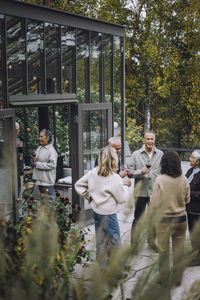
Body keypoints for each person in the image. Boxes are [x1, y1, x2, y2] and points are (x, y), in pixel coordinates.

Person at [75, 145, 131, 267]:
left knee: (101, 242)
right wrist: (126, 186)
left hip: (96, 212)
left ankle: (103, 268)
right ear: (113, 159)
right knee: (115, 242)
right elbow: (122, 199)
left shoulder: (92, 173)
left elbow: (78, 185)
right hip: (109, 215)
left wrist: (88, 197)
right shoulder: (115, 178)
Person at [150, 151, 190, 287]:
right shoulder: (184, 179)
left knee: (164, 252)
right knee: (179, 250)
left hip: (163, 221)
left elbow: (154, 203)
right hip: (181, 220)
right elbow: (187, 199)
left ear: (163, 164)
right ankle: (178, 279)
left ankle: (164, 279)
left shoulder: (159, 180)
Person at [129, 130, 163, 251]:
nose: (149, 141)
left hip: (155, 192)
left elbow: (164, 172)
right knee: (138, 218)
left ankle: (151, 242)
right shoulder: (136, 155)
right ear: (143, 140)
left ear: (154, 140)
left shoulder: (160, 154)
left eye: (151, 139)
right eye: (147, 139)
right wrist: (140, 172)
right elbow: (129, 172)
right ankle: (134, 245)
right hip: (140, 192)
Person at [32, 129, 58, 198]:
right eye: (39, 136)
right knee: (43, 203)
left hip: (47, 181)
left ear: (48, 138)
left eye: (41, 137)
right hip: (40, 180)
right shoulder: (39, 148)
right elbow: (36, 161)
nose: (39, 138)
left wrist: (37, 164)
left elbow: (53, 165)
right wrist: (33, 160)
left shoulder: (51, 151)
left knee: (50, 204)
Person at [185, 150, 200, 266]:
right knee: (192, 232)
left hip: (197, 211)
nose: (190, 159)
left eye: (192, 158)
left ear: (197, 162)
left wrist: (189, 192)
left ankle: (197, 259)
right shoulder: (191, 170)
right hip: (189, 209)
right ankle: (195, 253)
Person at [16, 122, 23, 196]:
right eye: (15, 130)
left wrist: (21, 160)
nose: (17, 131)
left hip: (18, 168)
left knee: (18, 186)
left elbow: (21, 151)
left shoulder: (19, 139)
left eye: (18, 130)